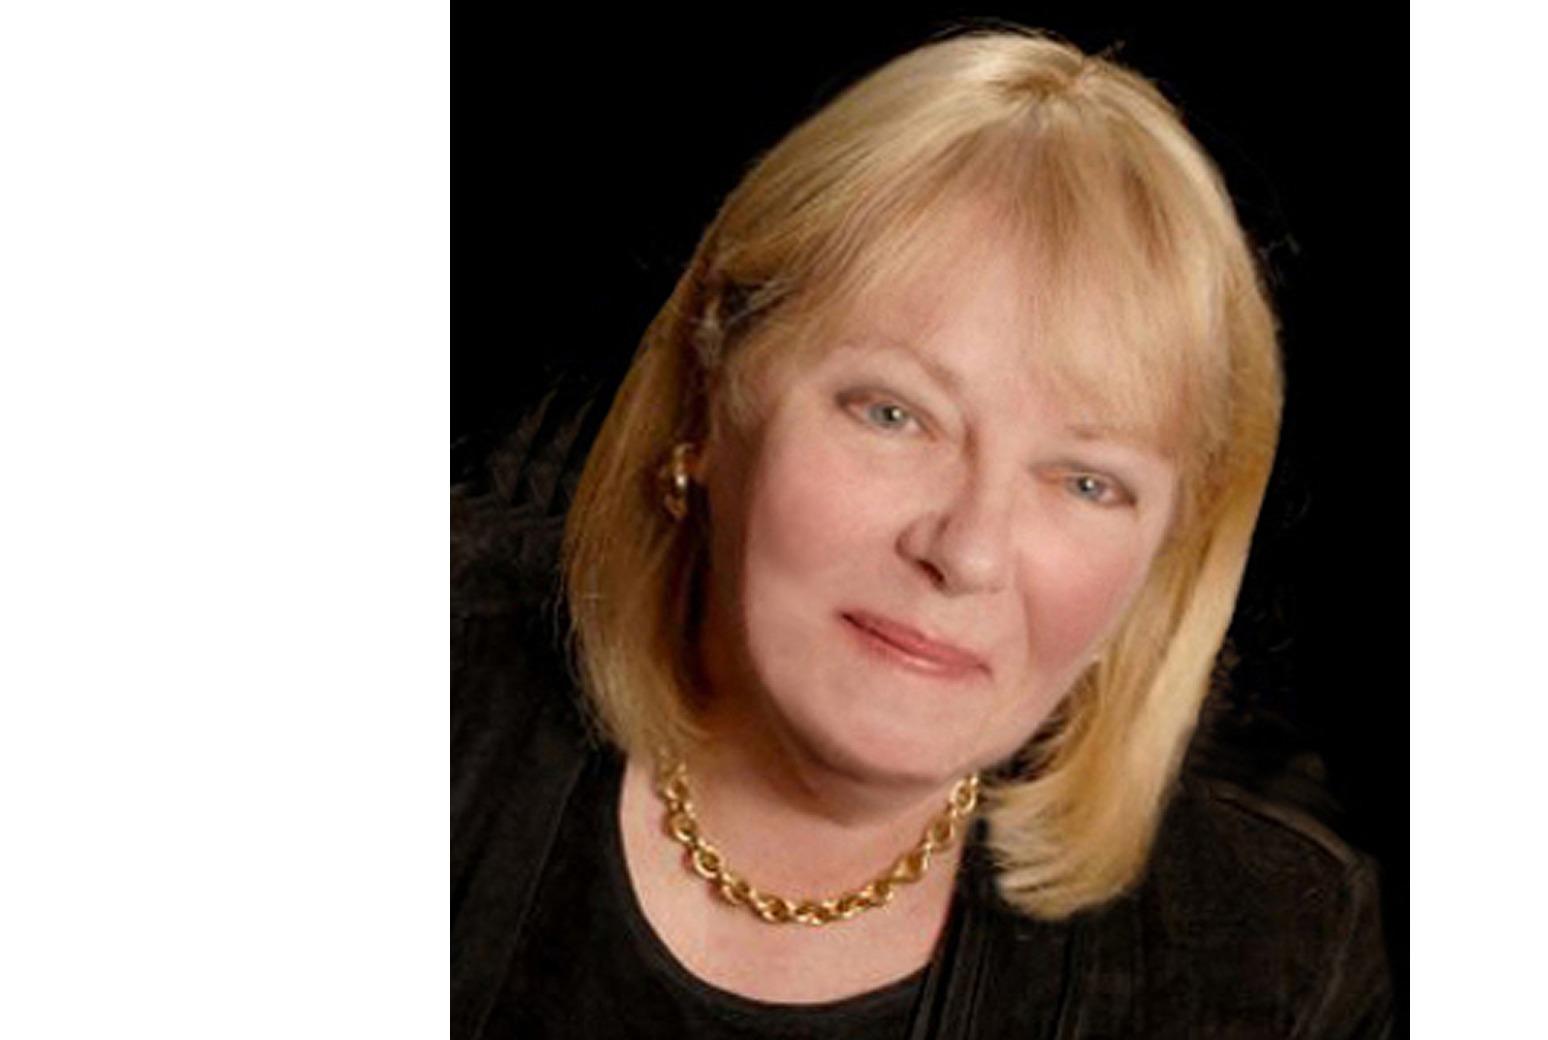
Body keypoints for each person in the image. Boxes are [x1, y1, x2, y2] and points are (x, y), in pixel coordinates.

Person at [453, 27, 1395, 1039]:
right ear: (710, 393)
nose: (967, 551)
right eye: (893, 414)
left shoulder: (1279, 963)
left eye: (1085, 482)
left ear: (1162, 555)